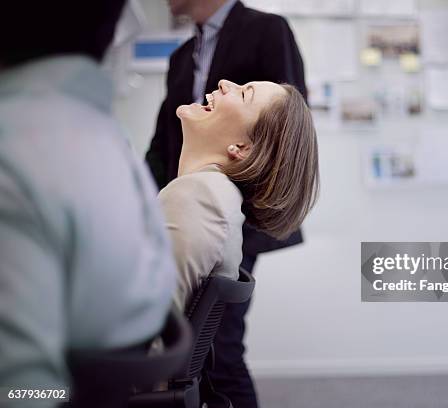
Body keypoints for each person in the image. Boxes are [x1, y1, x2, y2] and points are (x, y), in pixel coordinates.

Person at [0, 0, 177, 400]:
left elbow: (22, 394)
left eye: (245, 91)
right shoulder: (114, 149)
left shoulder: (17, 156)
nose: (222, 88)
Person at [146, 1, 308, 406]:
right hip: (196, 206)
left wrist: (228, 220)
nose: (223, 84)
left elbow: (281, 133)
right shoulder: (184, 54)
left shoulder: (266, 29)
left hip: (225, 215)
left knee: (223, 353)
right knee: (210, 353)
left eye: (243, 89)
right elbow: (162, 139)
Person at [161, 79, 319, 311]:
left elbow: (146, 333)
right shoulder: (217, 197)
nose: (224, 83)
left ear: (242, 147)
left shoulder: (198, 196)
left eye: (245, 94)